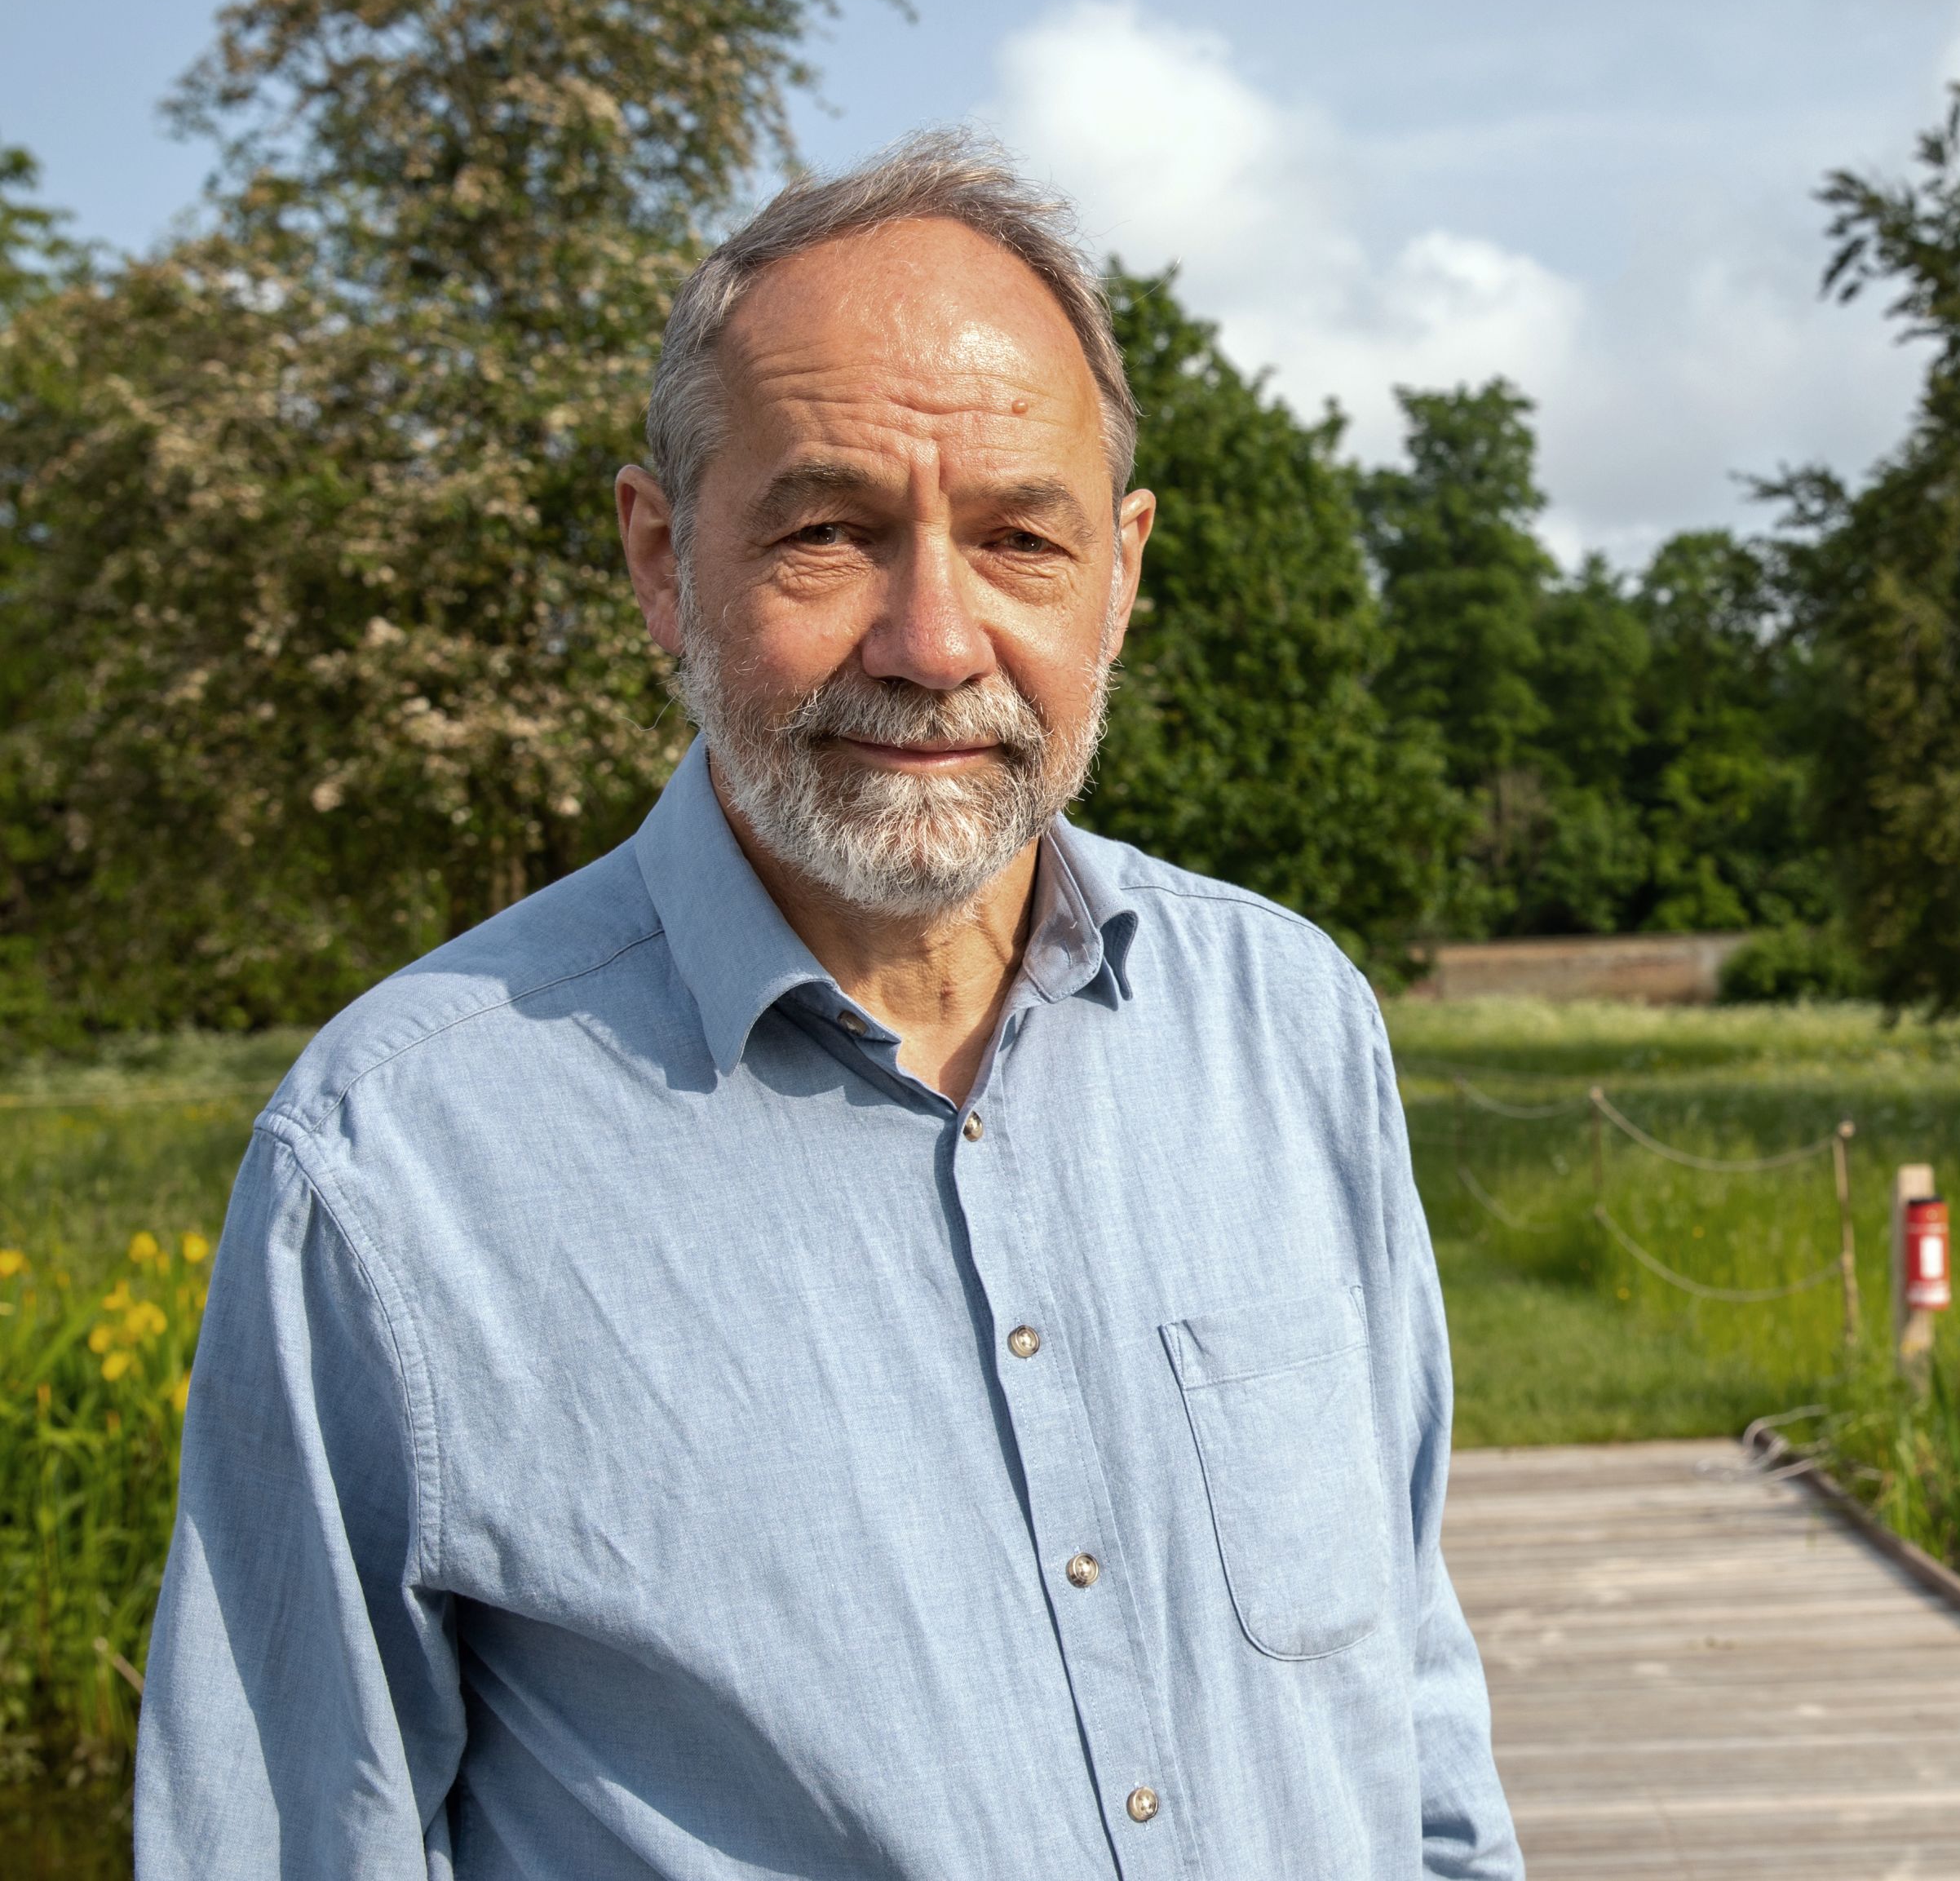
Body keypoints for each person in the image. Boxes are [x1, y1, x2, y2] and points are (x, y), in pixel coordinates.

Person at [131, 134, 1522, 1879]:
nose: (932, 640)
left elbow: (1403, 1696)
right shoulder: (397, 1161)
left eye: (1021, 537)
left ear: (1123, 572)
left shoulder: (1288, 1026)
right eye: (828, 533)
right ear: (660, 559)